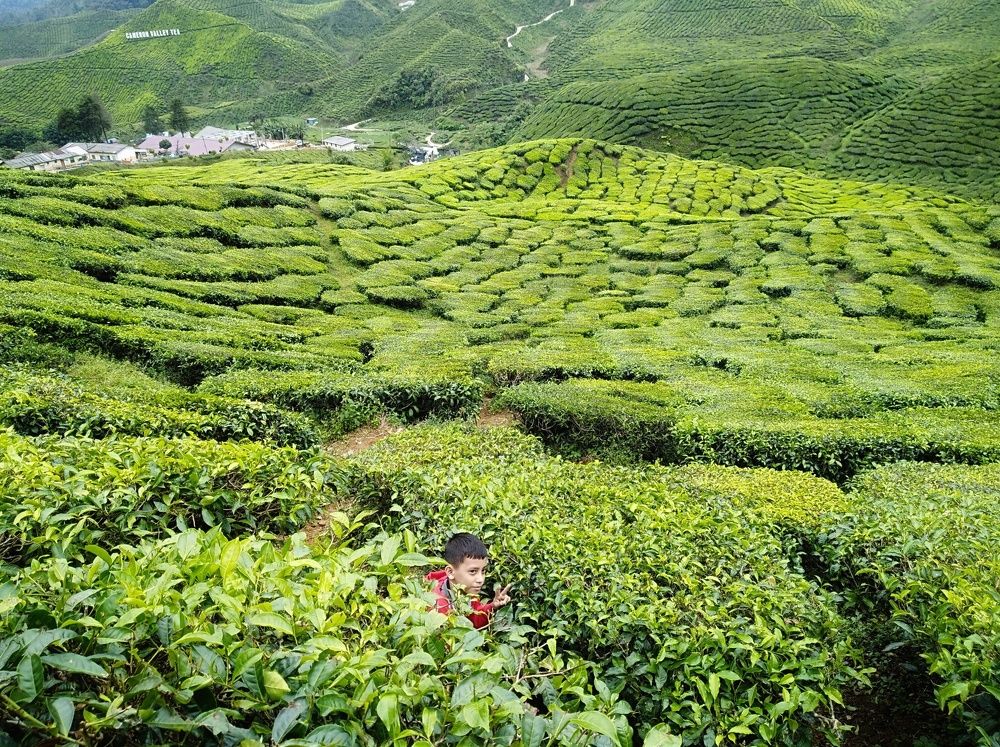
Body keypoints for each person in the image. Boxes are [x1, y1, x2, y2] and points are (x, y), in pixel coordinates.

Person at [426, 532, 511, 629]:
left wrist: (492, 606)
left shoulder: (466, 589)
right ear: (450, 572)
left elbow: (474, 618)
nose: (480, 579)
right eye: (473, 571)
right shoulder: (436, 608)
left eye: (483, 571)